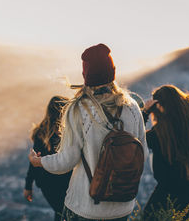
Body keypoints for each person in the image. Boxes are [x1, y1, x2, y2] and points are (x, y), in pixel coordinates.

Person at [28, 43, 148, 221]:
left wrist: (39, 162)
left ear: (86, 76)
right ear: (112, 71)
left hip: (86, 207)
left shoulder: (78, 109)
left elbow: (66, 162)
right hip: (123, 206)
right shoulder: (132, 107)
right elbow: (142, 154)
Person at [142, 85, 189, 220]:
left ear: (161, 106)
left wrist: (145, 112)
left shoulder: (160, 134)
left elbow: (136, 139)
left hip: (165, 194)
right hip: (187, 192)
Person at [24, 95, 72, 221]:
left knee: (63, 213)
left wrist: (28, 186)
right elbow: (34, 161)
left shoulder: (69, 131)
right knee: (63, 212)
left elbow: (34, 162)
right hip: (53, 182)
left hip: (57, 182)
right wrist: (28, 185)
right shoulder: (43, 133)